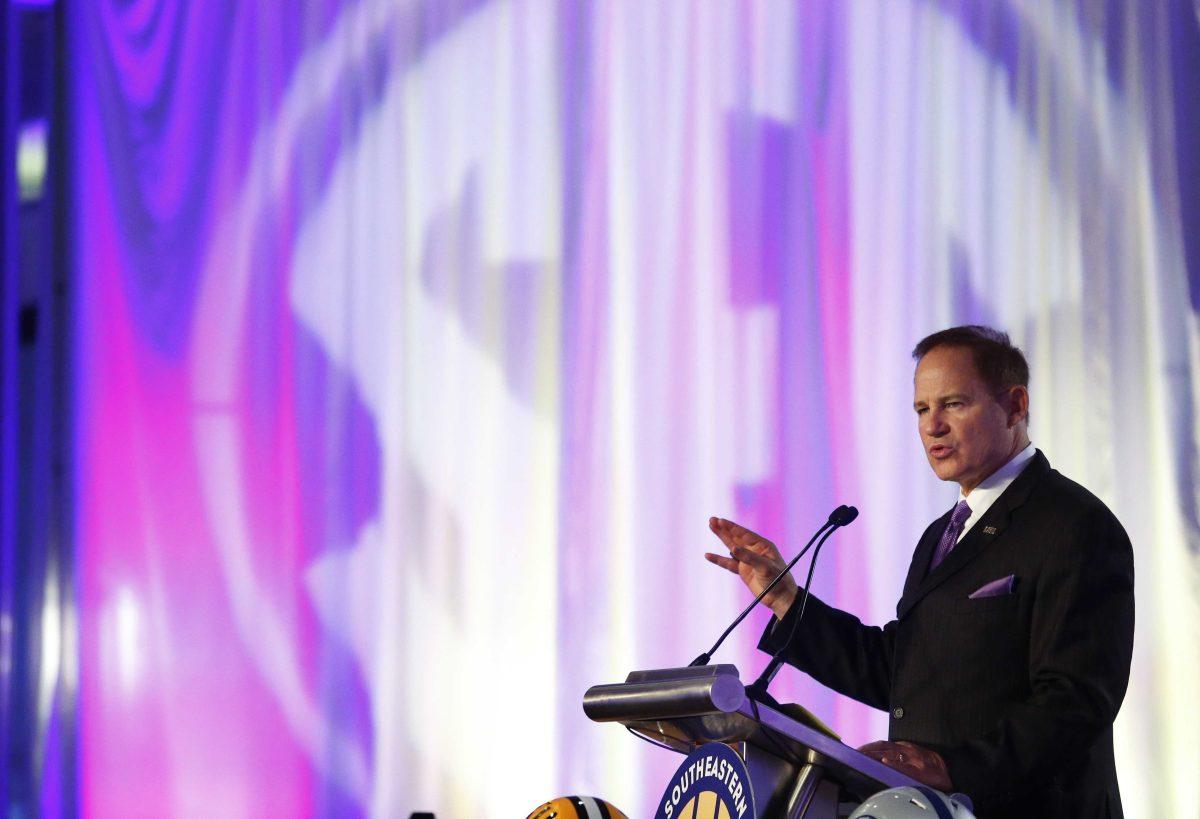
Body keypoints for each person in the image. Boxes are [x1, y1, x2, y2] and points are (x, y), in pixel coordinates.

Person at [705, 326, 1134, 819]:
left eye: (953, 404)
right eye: (921, 409)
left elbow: (1077, 701)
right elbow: (908, 671)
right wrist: (786, 600)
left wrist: (951, 767)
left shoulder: (1074, 525)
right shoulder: (941, 535)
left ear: (1015, 406)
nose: (933, 427)